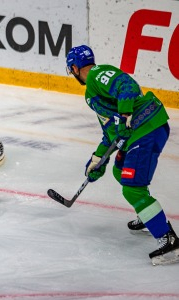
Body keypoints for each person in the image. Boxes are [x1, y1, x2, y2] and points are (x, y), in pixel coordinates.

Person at [66, 45, 178, 265]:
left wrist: (126, 113)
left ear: (74, 68)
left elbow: (126, 85)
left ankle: (168, 239)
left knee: (131, 188)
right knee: (119, 170)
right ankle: (148, 214)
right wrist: (98, 160)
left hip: (147, 129)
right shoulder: (92, 93)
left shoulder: (98, 74)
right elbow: (111, 134)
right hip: (138, 133)